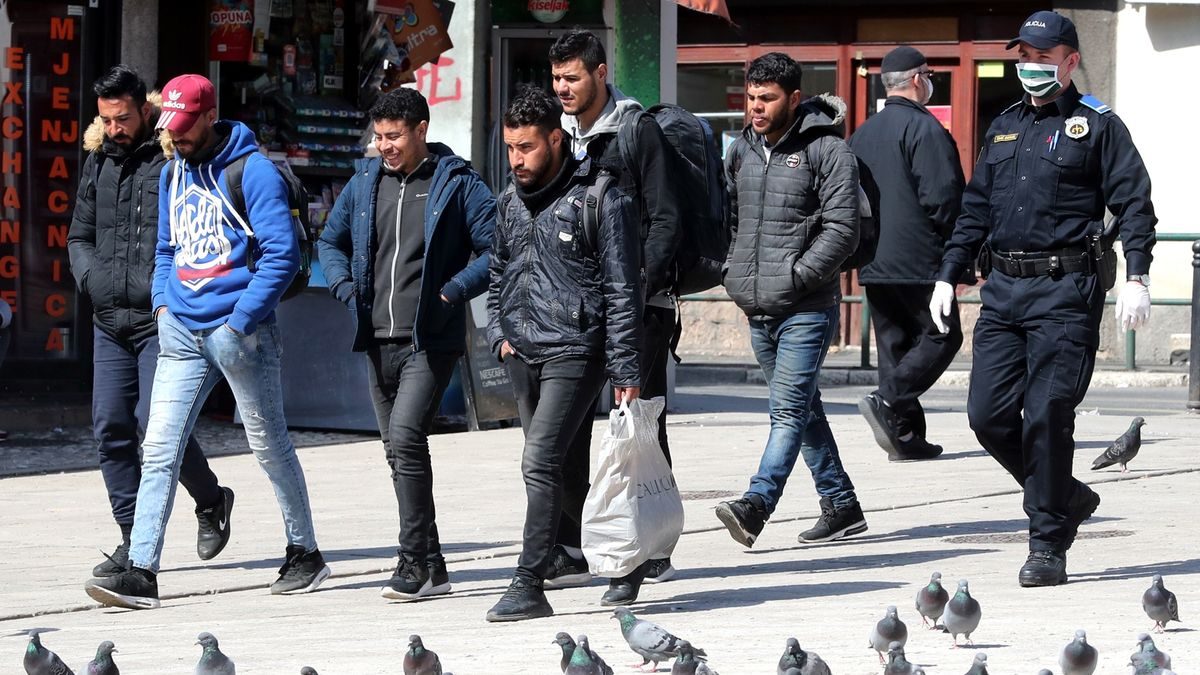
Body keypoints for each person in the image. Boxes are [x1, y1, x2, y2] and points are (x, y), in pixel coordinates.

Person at [84, 73, 330, 609]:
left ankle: (304, 552)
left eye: (184, 125)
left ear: (207, 115)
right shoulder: (174, 170)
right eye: (169, 124)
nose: (176, 135)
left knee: (269, 445)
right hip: (181, 329)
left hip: (241, 333)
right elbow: (167, 248)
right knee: (159, 449)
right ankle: (142, 570)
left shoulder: (252, 170)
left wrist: (239, 320)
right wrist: (162, 304)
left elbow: (281, 256)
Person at [931, 10, 1156, 586]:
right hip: (1004, 291)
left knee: (1048, 416)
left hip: (1064, 290)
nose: (1029, 67)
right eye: (1023, 57)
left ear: (1070, 60)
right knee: (987, 417)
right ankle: (1068, 496)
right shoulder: (1004, 126)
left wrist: (1136, 274)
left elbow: (1134, 202)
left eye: (1041, 57)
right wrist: (947, 275)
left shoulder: (1097, 125)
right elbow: (976, 208)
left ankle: (1048, 540)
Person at [316, 88, 495, 601]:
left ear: (421, 129)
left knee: (407, 439)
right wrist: (344, 288)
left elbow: (497, 246)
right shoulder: (365, 182)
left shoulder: (456, 183)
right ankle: (434, 565)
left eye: (394, 136)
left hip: (429, 340)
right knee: (398, 451)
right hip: (374, 338)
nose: (384, 146)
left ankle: (413, 560)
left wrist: (455, 289)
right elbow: (330, 240)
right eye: (379, 137)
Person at [68, 65, 234, 578]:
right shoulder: (98, 159)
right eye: (106, 120)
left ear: (146, 109)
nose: (114, 128)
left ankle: (210, 500)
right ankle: (129, 537)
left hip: (161, 316)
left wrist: (168, 294)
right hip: (107, 317)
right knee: (110, 427)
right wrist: (90, 280)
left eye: (122, 118)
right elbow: (80, 235)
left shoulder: (172, 157)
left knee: (154, 426)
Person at [484, 85, 642, 622]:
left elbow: (624, 289)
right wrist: (498, 334)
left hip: (578, 349)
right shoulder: (507, 201)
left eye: (526, 147)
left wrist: (624, 366)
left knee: (539, 460)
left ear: (556, 138)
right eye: (509, 148)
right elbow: (498, 270)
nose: (516, 160)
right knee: (561, 467)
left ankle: (528, 583)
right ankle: (609, 561)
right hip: (524, 350)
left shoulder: (600, 197)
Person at [547, 28, 683, 603]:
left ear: (601, 74)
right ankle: (578, 544)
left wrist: (631, 288)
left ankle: (641, 553)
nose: (563, 90)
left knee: (635, 425)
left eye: (572, 78)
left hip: (640, 307)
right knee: (573, 429)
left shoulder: (636, 130)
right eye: (556, 80)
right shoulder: (563, 137)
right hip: (579, 311)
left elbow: (665, 220)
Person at [714, 52, 868, 548]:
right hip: (758, 307)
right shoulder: (740, 150)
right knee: (802, 408)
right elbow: (731, 220)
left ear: (794, 99)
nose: (756, 108)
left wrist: (798, 276)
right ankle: (841, 505)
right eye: (752, 98)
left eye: (768, 99)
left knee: (786, 411)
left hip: (806, 306)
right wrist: (733, 272)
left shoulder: (828, 151)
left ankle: (756, 504)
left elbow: (843, 229)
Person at [848, 46, 968, 462]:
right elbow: (943, 199)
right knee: (943, 335)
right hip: (921, 259)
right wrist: (961, 253)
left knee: (895, 344)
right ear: (918, 79)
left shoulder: (862, 132)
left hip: (873, 259)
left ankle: (905, 438)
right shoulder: (926, 129)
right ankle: (888, 398)